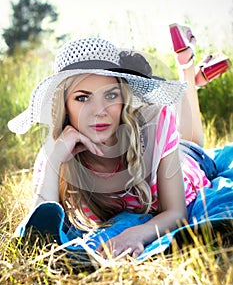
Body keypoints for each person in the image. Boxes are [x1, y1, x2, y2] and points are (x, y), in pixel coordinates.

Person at [8, 36, 222, 259]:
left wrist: (136, 234)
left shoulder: (154, 127)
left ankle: (186, 68)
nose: (99, 111)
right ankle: (193, 74)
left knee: (193, 143)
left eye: (110, 95)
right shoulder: (57, 150)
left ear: (123, 98)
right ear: (64, 106)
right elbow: (40, 228)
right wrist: (54, 162)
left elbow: (176, 213)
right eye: (82, 98)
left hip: (190, 164)